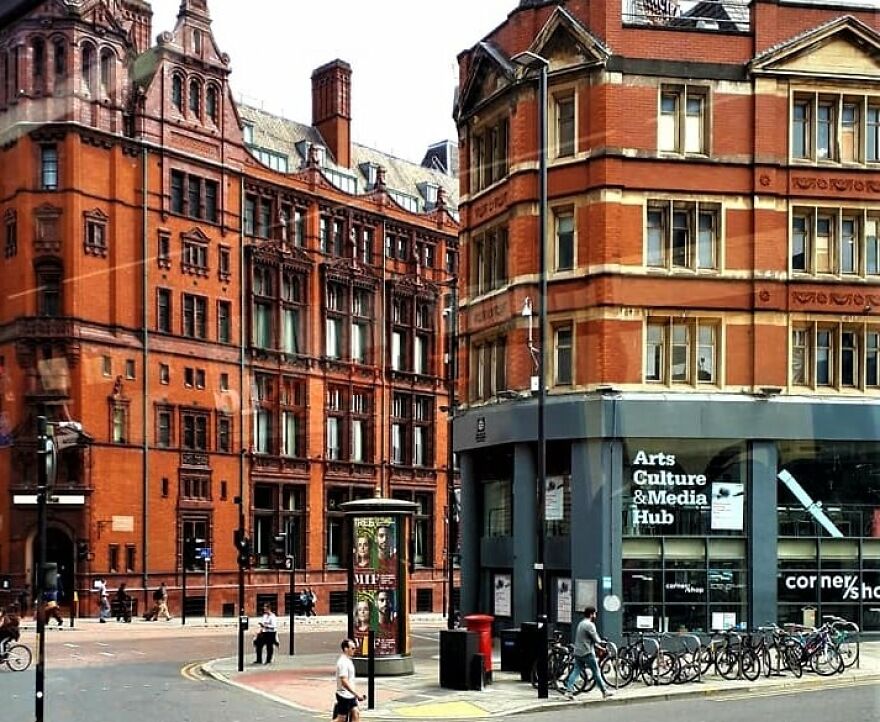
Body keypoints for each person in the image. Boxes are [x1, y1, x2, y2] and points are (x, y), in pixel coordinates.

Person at [563, 605, 613, 700]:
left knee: (576, 671)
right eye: (594, 614)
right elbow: (596, 639)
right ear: (591, 614)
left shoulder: (581, 623)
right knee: (596, 671)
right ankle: (604, 691)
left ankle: (568, 691)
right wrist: (603, 643)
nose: (595, 616)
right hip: (587, 653)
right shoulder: (589, 625)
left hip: (578, 652)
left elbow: (587, 640)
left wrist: (599, 648)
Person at [332, 638, 366, 722]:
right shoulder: (343, 662)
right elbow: (344, 681)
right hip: (344, 695)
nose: (354, 650)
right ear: (346, 649)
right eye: (352, 648)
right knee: (341, 719)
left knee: (356, 713)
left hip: (350, 695)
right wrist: (357, 694)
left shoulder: (348, 660)